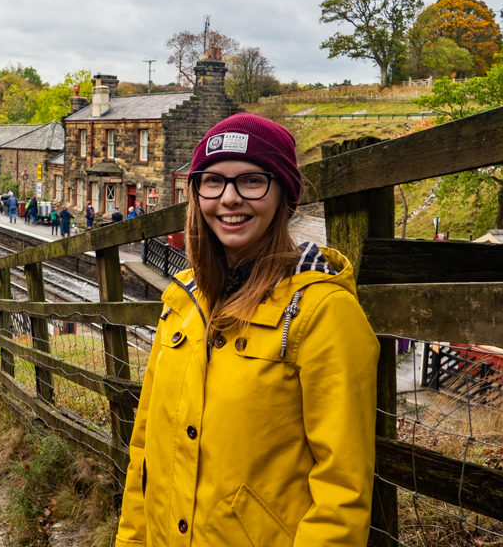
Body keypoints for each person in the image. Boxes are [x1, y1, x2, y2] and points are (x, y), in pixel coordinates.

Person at [116, 113, 379, 547]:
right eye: (213, 181)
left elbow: (342, 492)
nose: (229, 198)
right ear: (196, 193)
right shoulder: (182, 303)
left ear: (284, 196)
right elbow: (144, 451)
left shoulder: (321, 313)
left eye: (252, 181)